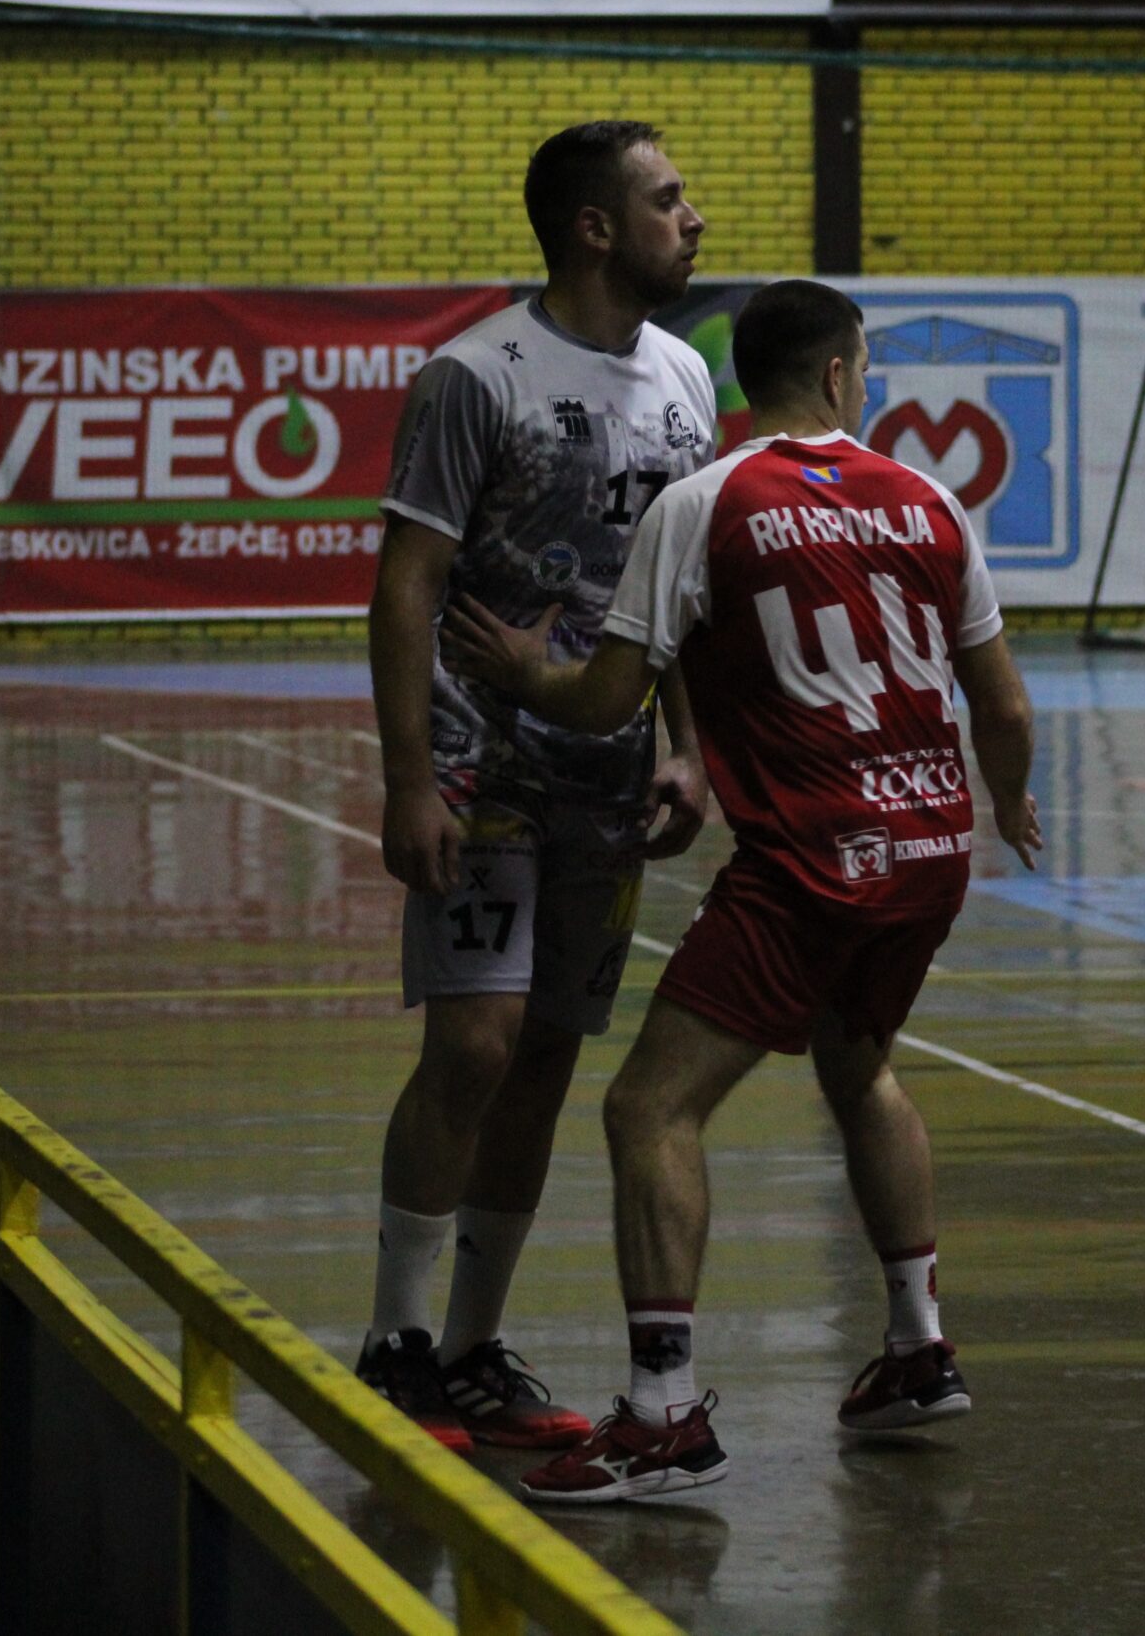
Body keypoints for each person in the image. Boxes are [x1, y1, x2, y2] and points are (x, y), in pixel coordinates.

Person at [440, 278, 1042, 1504]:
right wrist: (1011, 802)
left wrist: (524, 669)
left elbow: (606, 701)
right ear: (839, 375)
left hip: (813, 860)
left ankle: (663, 1416)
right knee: (859, 1065)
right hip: (932, 849)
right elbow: (1007, 707)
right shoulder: (928, 499)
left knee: (647, 1110)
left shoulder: (704, 502)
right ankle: (917, 1346)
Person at [359, 120, 718, 1454]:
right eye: (668, 199)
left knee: (549, 1055)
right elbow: (405, 585)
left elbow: (678, 588)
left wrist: (687, 744)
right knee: (475, 1044)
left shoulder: (687, 376)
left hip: (607, 774)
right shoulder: (476, 374)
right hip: (483, 761)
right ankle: (394, 1344)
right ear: (593, 227)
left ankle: (471, 1348)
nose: (693, 217)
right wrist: (411, 780)